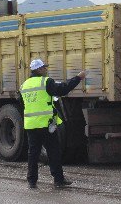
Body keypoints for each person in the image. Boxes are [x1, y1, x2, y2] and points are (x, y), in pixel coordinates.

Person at [20, 58, 86, 189]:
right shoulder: (46, 82)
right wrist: (78, 78)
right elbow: (63, 89)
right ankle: (58, 179)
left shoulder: (24, 85)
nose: (46, 69)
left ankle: (32, 181)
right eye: (44, 67)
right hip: (45, 124)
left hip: (31, 125)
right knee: (53, 151)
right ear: (39, 69)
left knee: (33, 153)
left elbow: (23, 104)